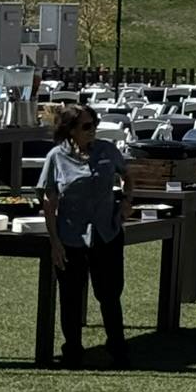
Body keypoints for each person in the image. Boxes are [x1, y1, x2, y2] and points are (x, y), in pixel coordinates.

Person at [40, 105, 131, 369]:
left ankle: (118, 349)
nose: (93, 130)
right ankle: (72, 351)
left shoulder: (107, 151)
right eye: (86, 126)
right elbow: (49, 202)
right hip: (72, 235)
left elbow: (127, 174)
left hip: (106, 232)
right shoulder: (56, 158)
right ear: (70, 130)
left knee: (110, 294)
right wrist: (54, 242)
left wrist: (127, 201)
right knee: (70, 296)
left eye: (94, 124)